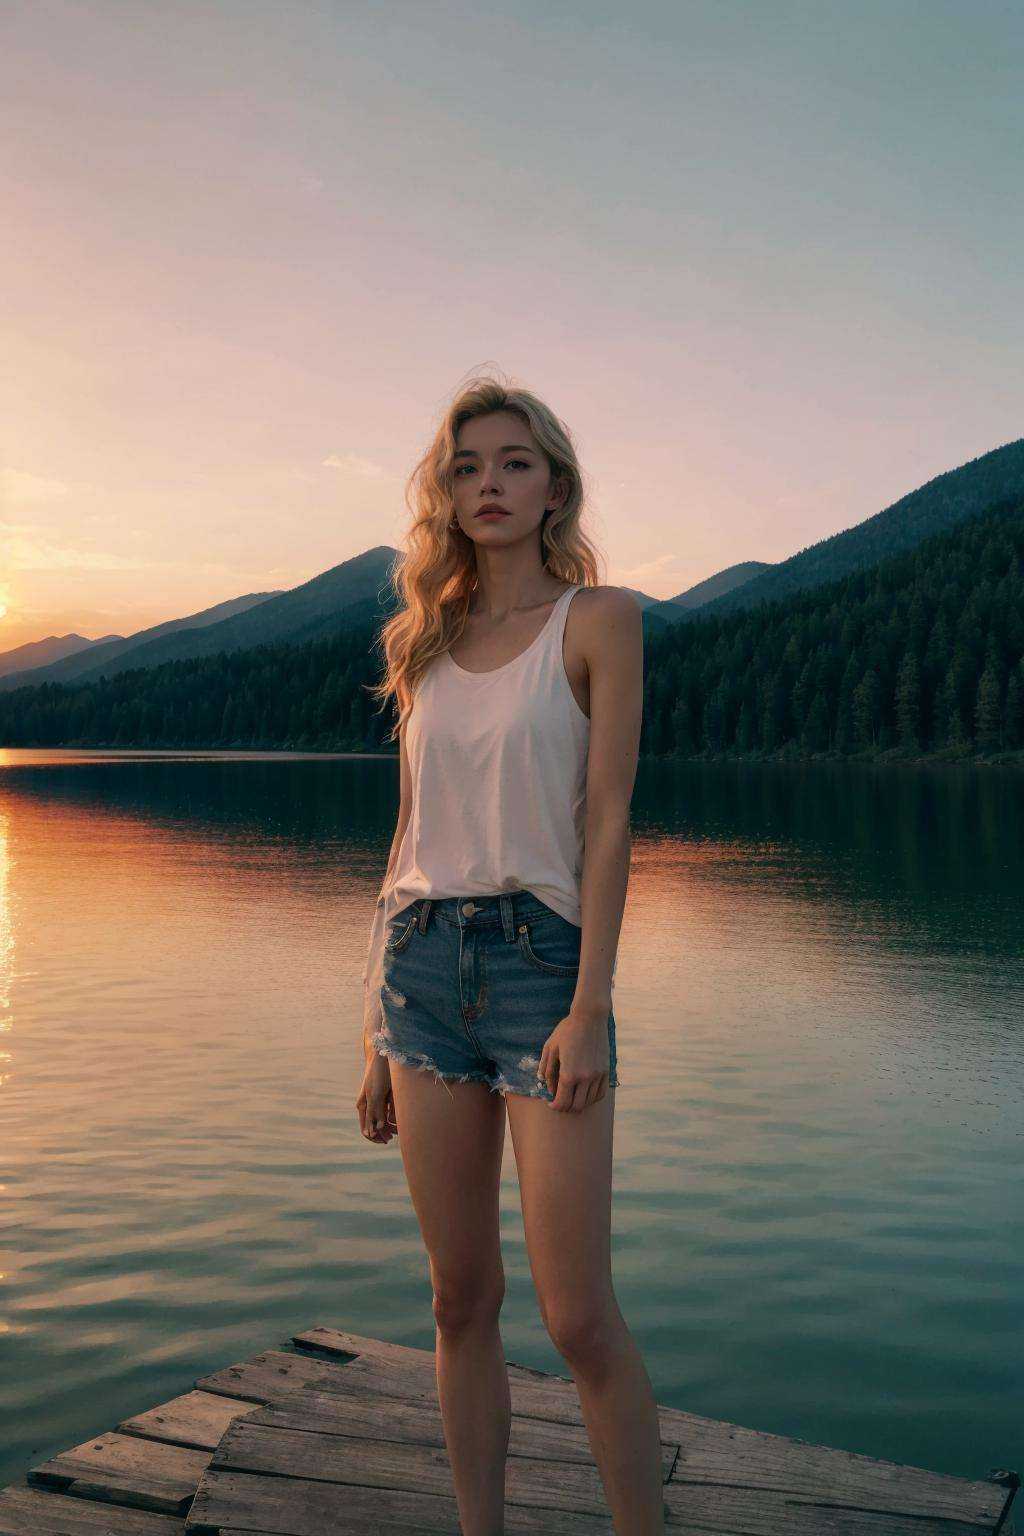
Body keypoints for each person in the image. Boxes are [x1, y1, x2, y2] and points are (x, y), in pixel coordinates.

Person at [355, 371, 664, 1535]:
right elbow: (406, 839)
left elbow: (610, 817)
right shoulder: (421, 642)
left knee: (578, 1315)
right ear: (447, 493)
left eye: (514, 463)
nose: (489, 484)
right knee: (457, 1299)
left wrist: (590, 1008)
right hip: (422, 973)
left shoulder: (600, 620)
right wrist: (373, 1031)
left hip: (545, 970)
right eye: (468, 466)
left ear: (554, 491)